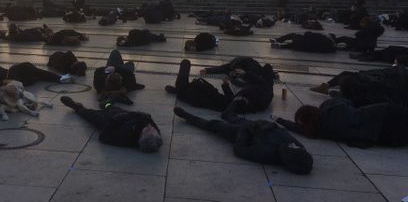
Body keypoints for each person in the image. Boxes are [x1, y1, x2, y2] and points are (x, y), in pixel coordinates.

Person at [173, 107, 313, 174]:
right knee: (236, 119)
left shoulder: (266, 153)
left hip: (244, 133)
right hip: (260, 126)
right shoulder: (298, 147)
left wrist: (245, 131)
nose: (292, 146)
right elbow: (282, 132)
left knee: (213, 125)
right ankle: (229, 114)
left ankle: (188, 116)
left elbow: (239, 150)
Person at [275, 99, 408, 148]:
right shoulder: (332, 106)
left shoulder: (321, 130)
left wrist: (280, 120)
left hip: (383, 135)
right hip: (385, 112)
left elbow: (299, 129)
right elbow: (350, 102)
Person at [165, 59, 274, 115]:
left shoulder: (261, 91)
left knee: (185, 63)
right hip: (203, 95)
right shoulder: (261, 92)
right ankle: (177, 90)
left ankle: (178, 90)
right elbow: (226, 68)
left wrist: (229, 85)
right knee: (186, 80)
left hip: (197, 95)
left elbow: (235, 100)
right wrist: (225, 85)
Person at [60, 96, 162, 152]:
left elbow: (103, 137)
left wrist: (115, 120)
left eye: (148, 130)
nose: (150, 126)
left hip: (105, 119)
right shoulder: (155, 135)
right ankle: (108, 102)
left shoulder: (125, 138)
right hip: (121, 112)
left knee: (86, 113)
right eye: (153, 129)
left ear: (141, 137)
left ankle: (75, 106)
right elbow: (148, 117)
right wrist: (133, 115)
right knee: (109, 106)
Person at [6, 62, 74, 86]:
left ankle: (60, 78)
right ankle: (59, 78)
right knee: (41, 74)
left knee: (40, 74)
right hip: (21, 70)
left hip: (21, 71)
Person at [270, 32, 337, 53]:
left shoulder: (323, 37)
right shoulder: (331, 48)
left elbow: (307, 34)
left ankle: (278, 40)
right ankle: (281, 46)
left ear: (330, 36)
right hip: (304, 48)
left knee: (293, 35)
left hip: (302, 41)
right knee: (293, 45)